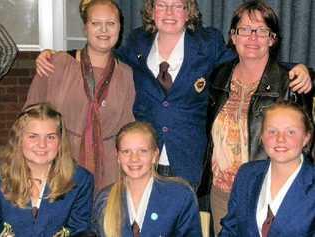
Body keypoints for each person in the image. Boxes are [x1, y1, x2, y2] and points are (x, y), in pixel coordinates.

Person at [35, 0, 312, 190]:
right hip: (142, 160)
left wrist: (294, 69)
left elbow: (249, 58)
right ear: (152, 10)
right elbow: (102, 57)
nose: (169, 11)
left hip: (190, 163)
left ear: (188, 10)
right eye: (161, 4)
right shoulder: (135, 42)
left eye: (177, 4)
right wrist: (59, 56)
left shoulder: (208, 42)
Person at [196, 1, 314, 235]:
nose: (252, 37)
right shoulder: (218, 76)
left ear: (272, 39)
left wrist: (309, 73)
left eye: (261, 31)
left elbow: (304, 139)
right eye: (245, 29)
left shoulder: (290, 82)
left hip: (266, 189)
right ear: (233, 36)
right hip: (221, 190)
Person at [25, 0, 135, 191]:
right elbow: (28, 118)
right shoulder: (57, 64)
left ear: (120, 27)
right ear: (85, 28)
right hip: (60, 165)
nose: (104, 30)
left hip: (109, 174)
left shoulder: (126, 74)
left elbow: (128, 127)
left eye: (111, 23)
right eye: (96, 23)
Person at [219, 101, 314, 237]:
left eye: (291, 132)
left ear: (306, 138)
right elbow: (230, 229)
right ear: (262, 136)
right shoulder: (246, 174)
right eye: (272, 131)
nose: (280, 139)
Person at [91, 121, 202, 237]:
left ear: (155, 155)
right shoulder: (104, 199)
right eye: (126, 152)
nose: (134, 158)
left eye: (143, 151)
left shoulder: (180, 196)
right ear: (118, 157)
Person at [0, 103, 94, 237]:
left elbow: (80, 231)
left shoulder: (80, 180)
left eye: (50, 137)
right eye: (33, 136)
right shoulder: (1, 176)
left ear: (60, 142)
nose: (42, 145)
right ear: (19, 139)